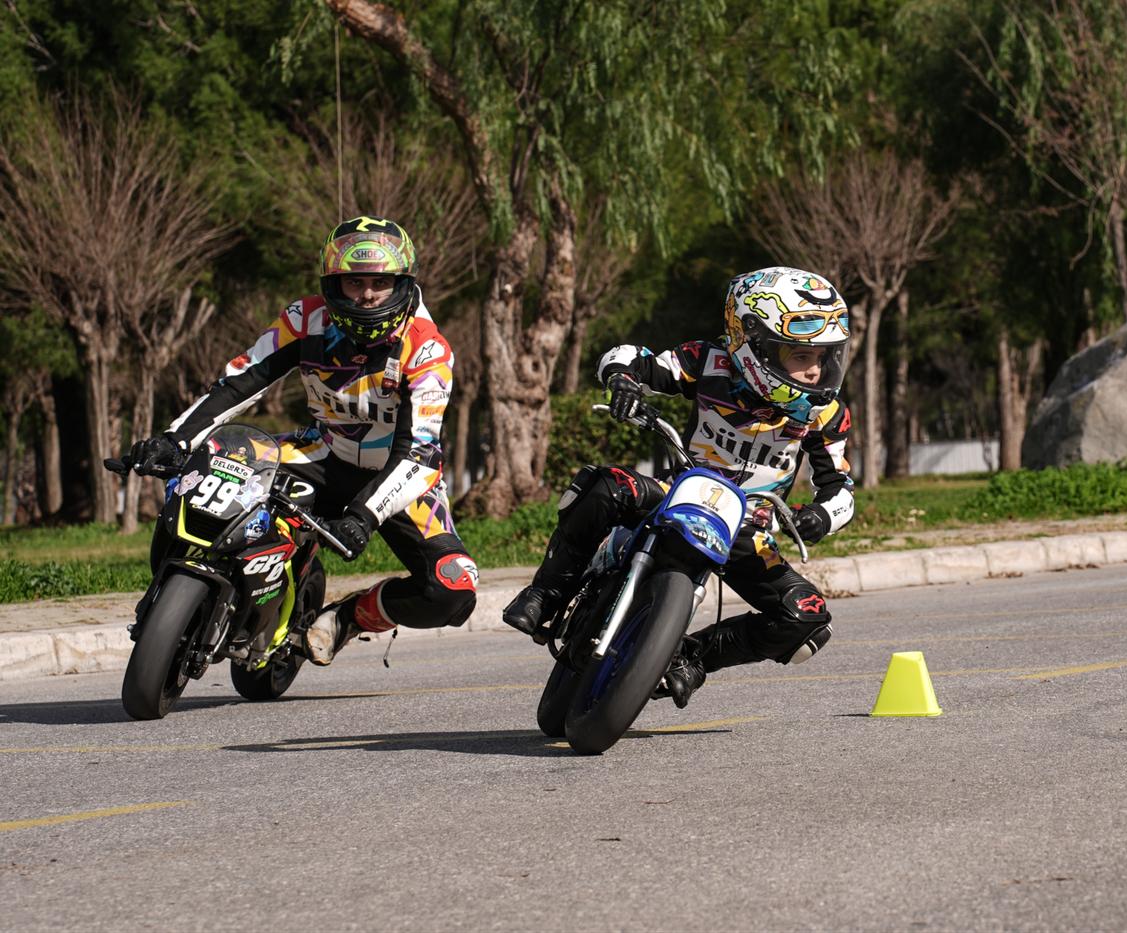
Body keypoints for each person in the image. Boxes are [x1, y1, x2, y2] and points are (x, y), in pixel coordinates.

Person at [126, 216, 477, 665]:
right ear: (332, 284)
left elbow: (420, 454)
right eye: (353, 282)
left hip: (400, 478)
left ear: (403, 284)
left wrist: (363, 517)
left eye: (380, 282)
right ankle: (182, 597)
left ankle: (348, 617)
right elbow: (241, 381)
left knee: (453, 588)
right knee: (200, 474)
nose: (367, 295)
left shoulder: (428, 348)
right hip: (322, 451)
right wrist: (175, 440)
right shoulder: (305, 318)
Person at [502, 266, 856, 707]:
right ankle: (546, 593)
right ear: (754, 345)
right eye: (801, 356)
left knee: (807, 620)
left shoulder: (827, 414)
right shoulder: (709, 362)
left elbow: (841, 489)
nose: (815, 371)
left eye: (824, 357)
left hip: (747, 528)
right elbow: (628, 356)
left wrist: (821, 515)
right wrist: (623, 380)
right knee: (603, 486)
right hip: (677, 491)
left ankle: (691, 657)